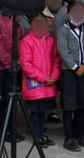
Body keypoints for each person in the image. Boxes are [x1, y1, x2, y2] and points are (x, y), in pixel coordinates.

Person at [57, 0, 84, 151]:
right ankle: (69, 138)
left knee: (83, 105)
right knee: (69, 106)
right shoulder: (63, 31)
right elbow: (63, 51)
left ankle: (83, 136)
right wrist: (74, 67)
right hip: (69, 73)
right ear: (68, 14)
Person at [19, 14, 59, 146]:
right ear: (31, 25)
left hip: (48, 84)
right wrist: (43, 78)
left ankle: (41, 134)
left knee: (43, 111)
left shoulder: (50, 41)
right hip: (35, 84)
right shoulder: (26, 41)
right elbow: (26, 65)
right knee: (35, 111)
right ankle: (37, 136)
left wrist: (53, 76)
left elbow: (56, 60)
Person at [0, 3, 25, 141]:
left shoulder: (16, 22)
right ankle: (4, 131)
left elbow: (21, 42)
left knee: (12, 99)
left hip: (14, 67)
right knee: (3, 101)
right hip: (0, 68)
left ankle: (12, 129)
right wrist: (10, 63)